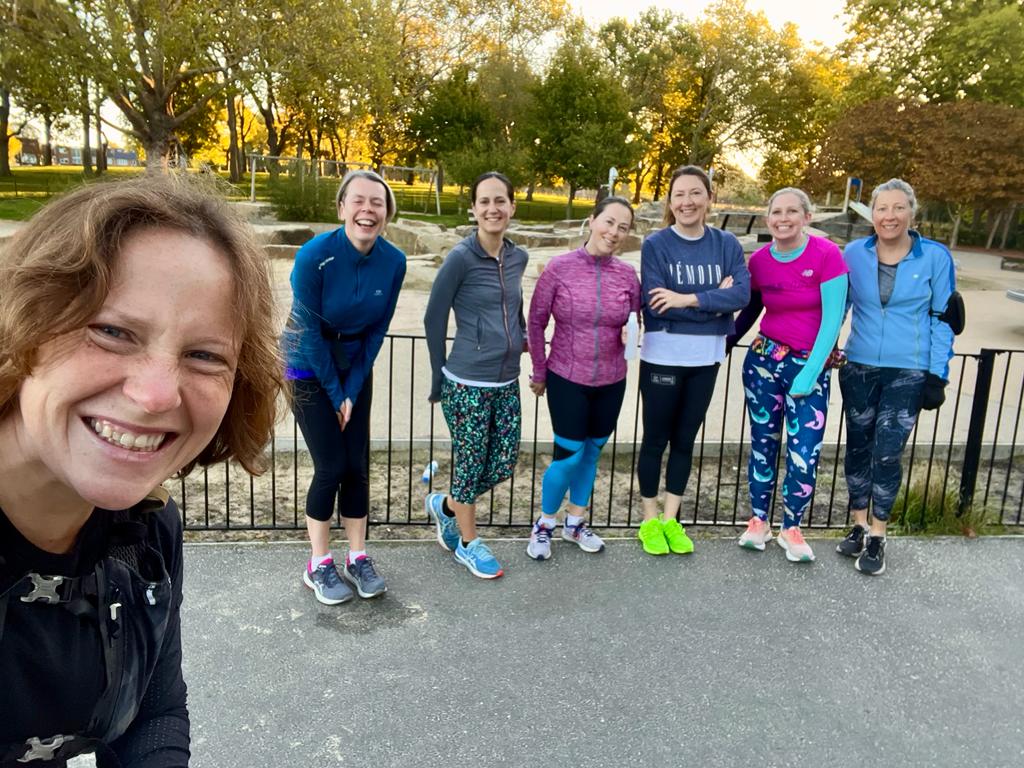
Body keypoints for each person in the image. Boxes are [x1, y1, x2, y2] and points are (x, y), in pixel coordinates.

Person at [0, 176, 281, 766]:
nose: (155, 395)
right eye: (111, 331)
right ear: (21, 324)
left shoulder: (145, 531)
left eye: (204, 355)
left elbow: (151, 714)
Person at [284, 170, 406, 604]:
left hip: (355, 364)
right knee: (331, 466)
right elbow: (311, 332)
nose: (367, 210)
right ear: (341, 208)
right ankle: (318, 565)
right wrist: (337, 394)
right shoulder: (313, 256)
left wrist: (351, 389)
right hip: (307, 365)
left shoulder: (394, 261)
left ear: (387, 213)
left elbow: (377, 331)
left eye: (377, 203)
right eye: (358, 201)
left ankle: (358, 556)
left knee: (356, 465)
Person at [837, 178, 956, 576]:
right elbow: (838, 306)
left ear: (912, 213)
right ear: (872, 214)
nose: (889, 216)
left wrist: (937, 374)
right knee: (857, 447)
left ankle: (878, 534)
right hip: (860, 366)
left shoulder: (935, 258)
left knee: (886, 452)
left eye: (898, 208)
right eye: (882, 208)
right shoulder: (854, 253)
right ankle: (857, 522)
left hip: (909, 369)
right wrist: (824, 350)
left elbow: (944, 319)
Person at [728, 188, 848, 562]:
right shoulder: (761, 261)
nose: (783, 218)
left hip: (808, 368)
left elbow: (832, 321)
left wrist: (809, 373)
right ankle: (759, 521)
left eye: (792, 211)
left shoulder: (828, 256)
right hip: (764, 362)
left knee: (803, 451)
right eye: (776, 212)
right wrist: (724, 342)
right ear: (768, 219)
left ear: (806, 217)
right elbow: (751, 310)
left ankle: (792, 526)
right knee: (762, 442)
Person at [636, 165, 751, 555]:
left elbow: (741, 297)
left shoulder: (727, 244)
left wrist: (685, 298)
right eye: (679, 194)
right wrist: (713, 302)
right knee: (655, 441)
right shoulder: (656, 244)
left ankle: (671, 520)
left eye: (695, 193)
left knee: (685, 441)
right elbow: (655, 303)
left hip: (706, 358)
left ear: (709, 198)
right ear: (670, 202)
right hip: (663, 355)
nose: (687, 201)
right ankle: (649, 519)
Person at [423, 172, 528, 579]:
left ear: (511, 207)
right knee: (468, 465)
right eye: (484, 201)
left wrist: (520, 341)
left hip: (507, 379)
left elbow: (514, 306)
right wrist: (437, 375)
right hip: (467, 380)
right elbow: (434, 317)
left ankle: (446, 506)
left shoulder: (518, 257)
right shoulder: (460, 258)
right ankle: (468, 543)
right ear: (473, 209)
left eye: (500, 200)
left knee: (501, 464)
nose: (492, 209)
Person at [525, 196, 641, 560]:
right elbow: (536, 321)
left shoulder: (627, 275)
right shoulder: (559, 268)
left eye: (623, 227)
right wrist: (540, 370)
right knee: (568, 456)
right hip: (566, 377)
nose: (614, 232)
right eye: (609, 222)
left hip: (612, 380)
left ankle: (574, 523)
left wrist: (634, 332)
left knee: (591, 453)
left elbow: (637, 320)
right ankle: (544, 524)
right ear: (592, 221)